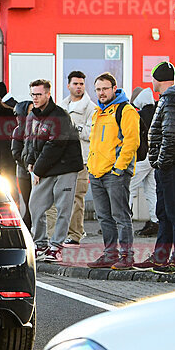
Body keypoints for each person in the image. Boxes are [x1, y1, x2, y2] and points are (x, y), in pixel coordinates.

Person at [137, 61, 175, 274]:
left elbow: (171, 136)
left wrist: (161, 163)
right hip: (172, 164)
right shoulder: (170, 98)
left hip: (174, 165)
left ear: (157, 79)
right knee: (164, 212)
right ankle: (161, 258)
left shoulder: (171, 99)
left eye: (152, 78)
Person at [21, 79, 83, 262]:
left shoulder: (60, 116)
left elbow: (55, 145)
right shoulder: (32, 116)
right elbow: (30, 141)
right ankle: (40, 243)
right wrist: (30, 162)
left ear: (48, 94)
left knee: (64, 207)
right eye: (33, 94)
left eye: (39, 94)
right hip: (44, 167)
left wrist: (38, 168)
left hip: (66, 167)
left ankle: (56, 247)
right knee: (35, 205)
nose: (35, 98)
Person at [86, 72, 140, 270]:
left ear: (114, 89)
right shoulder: (98, 112)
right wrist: (91, 168)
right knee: (104, 217)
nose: (101, 93)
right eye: (98, 89)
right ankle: (110, 254)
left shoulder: (126, 110)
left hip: (115, 173)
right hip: (97, 172)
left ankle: (127, 256)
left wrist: (119, 168)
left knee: (121, 216)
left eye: (105, 89)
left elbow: (132, 142)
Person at [54, 71, 97, 246]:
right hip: (63, 159)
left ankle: (75, 234)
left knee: (77, 198)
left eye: (81, 84)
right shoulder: (62, 106)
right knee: (62, 198)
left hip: (82, 160)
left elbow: (91, 133)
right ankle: (61, 233)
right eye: (75, 84)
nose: (78, 87)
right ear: (68, 85)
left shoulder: (91, 108)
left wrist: (73, 126)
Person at [129, 87, 158, 237]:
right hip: (156, 157)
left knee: (129, 188)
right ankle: (155, 220)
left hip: (142, 157)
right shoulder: (158, 112)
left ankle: (122, 221)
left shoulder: (139, 115)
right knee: (151, 190)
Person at [11, 99, 34, 227]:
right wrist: (28, 165)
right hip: (24, 173)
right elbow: (16, 153)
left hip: (37, 172)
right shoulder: (18, 130)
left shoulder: (37, 127)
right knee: (27, 203)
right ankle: (27, 228)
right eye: (30, 110)